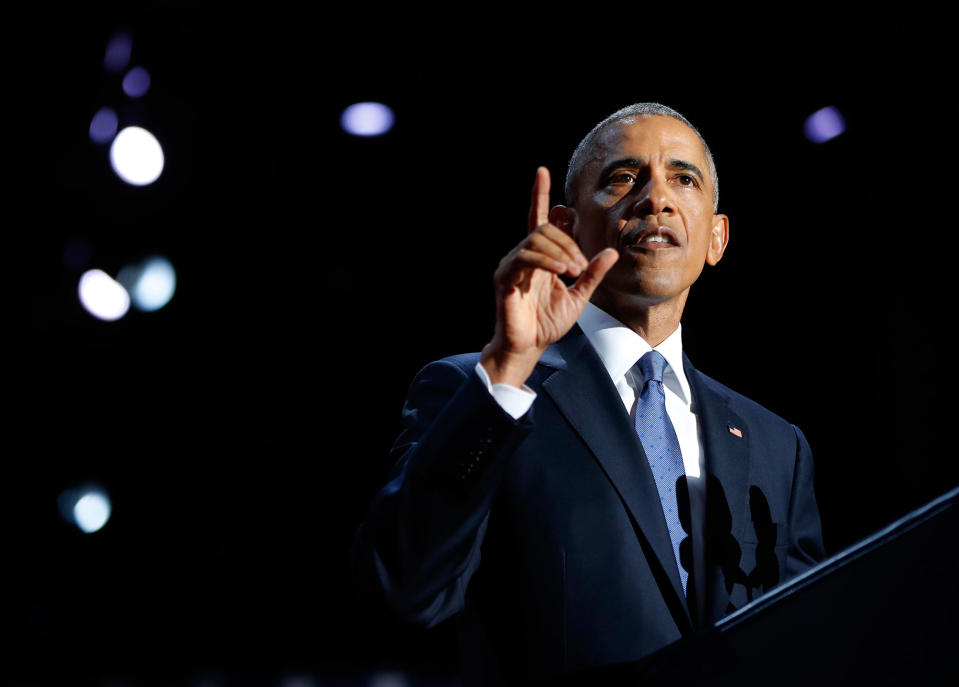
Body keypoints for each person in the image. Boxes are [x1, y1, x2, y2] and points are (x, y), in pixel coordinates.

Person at [351, 103, 825, 686]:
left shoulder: (777, 445)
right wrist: (506, 368)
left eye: (684, 178)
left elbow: (808, 641)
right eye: (623, 177)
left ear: (717, 237)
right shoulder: (482, 391)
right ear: (566, 229)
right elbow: (407, 588)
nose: (657, 198)